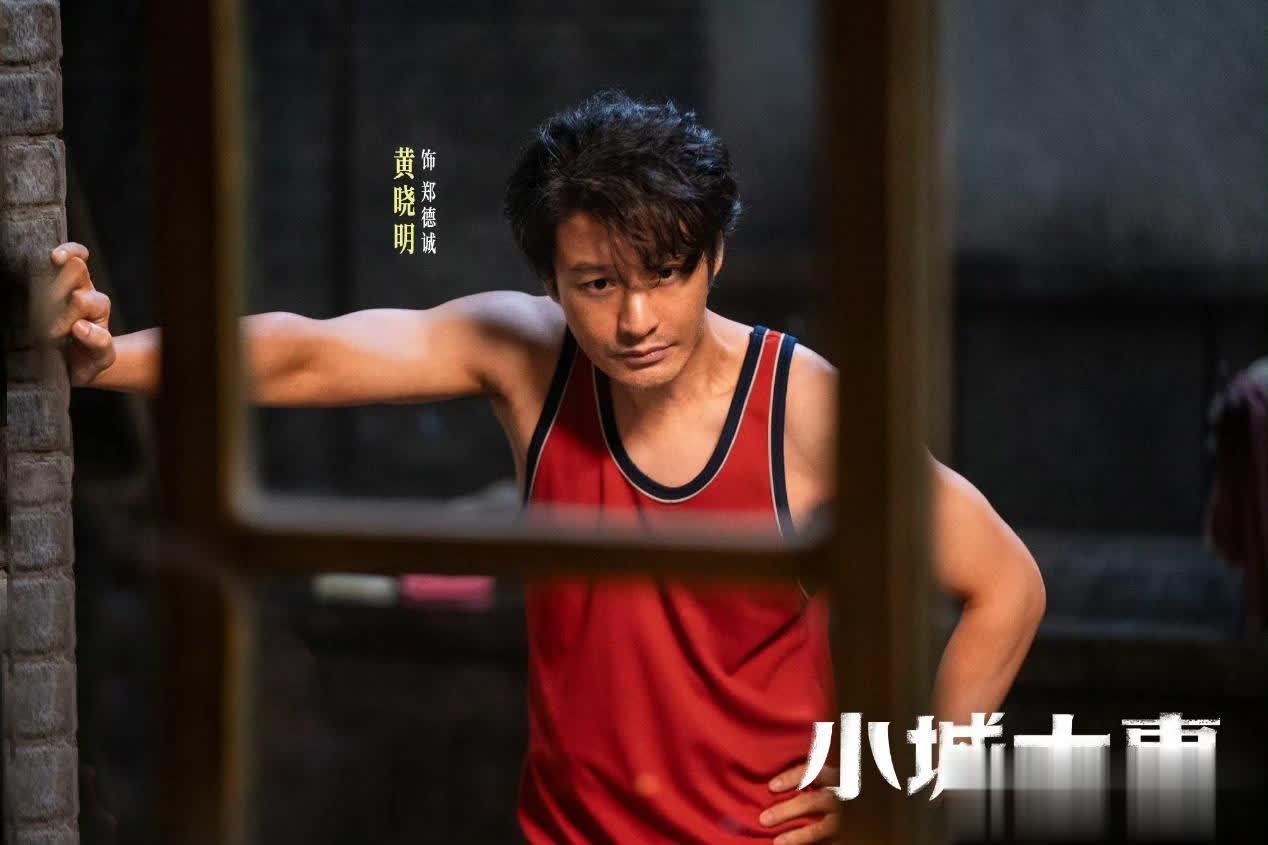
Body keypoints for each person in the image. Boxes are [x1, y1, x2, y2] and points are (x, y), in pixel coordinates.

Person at [45, 90, 1046, 844]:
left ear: (714, 258)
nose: (637, 318)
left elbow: (1005, 585)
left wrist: (901, 782)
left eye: (666, 274)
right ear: (552, 280)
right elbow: (312, 352)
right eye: (598, 283)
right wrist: (106, 359)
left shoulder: (802, 404)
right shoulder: (530, 357)